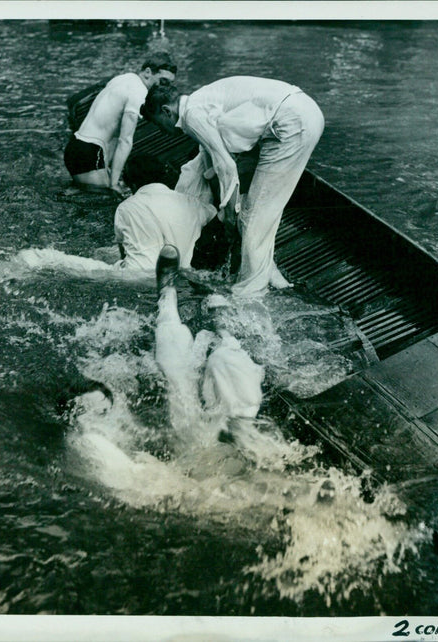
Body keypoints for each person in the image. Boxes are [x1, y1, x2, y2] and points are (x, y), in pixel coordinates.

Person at [141, 76, 324, 295]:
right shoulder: (201, 100)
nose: (161, 131)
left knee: (254, 216)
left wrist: (229, 209)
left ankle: (251, 294)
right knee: (256, 209)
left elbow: (226, 165)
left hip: (288, 123)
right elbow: (213, 161)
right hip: (298, 113)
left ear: (166, 111)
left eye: (157, 123)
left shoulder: (191, 116)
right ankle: (273, 277)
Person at [154, 244, 264, 442]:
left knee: (175, 361)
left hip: (199, 446)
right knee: (228, 362)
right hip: (228, 444)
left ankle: (166, 297)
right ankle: (225, 334)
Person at [64, 53, 177, 196]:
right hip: (90, 152)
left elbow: (112, 134)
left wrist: (108, 169)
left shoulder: (124, 78)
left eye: (169, 84)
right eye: (163, 81)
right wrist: (114, 183)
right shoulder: (139, 93)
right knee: (108, 199)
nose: (165, 87)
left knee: (87, 193)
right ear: (148, 72)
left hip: (76, 146)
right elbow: (125, 141)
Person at [112, 154, 217, 272]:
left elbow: (123, 251)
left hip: (141, 275)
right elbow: (216, 216)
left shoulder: (125, 208)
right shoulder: (192, 203)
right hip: (185, 272)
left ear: (132, 184)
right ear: (162, 175)